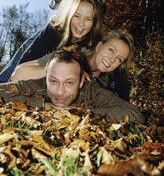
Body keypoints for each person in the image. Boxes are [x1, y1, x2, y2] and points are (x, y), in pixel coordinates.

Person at [0, 50, 145, 124]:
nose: (60, 92)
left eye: (69, 82)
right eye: (54, 81)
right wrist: (43, 105)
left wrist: (86, 112)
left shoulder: (90, 90)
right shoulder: (38, 85)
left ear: (81, 81)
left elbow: (135, 114)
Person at [0, 0, 101, 83]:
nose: (81, 24)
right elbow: (20, 70)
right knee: (7, 79)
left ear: (95, 22)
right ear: (69, 14)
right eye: (77, 16)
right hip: (32, 55)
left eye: (88, 19)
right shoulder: (53, 30)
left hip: (48, 70)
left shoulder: (92, 43)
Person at [11, 30, 134, 101]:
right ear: (99, 46)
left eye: (119, 59)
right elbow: (17, 75)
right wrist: (62, 70)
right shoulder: (71, 54)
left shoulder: (104, 83)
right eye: (111, 50)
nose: (112, 59)